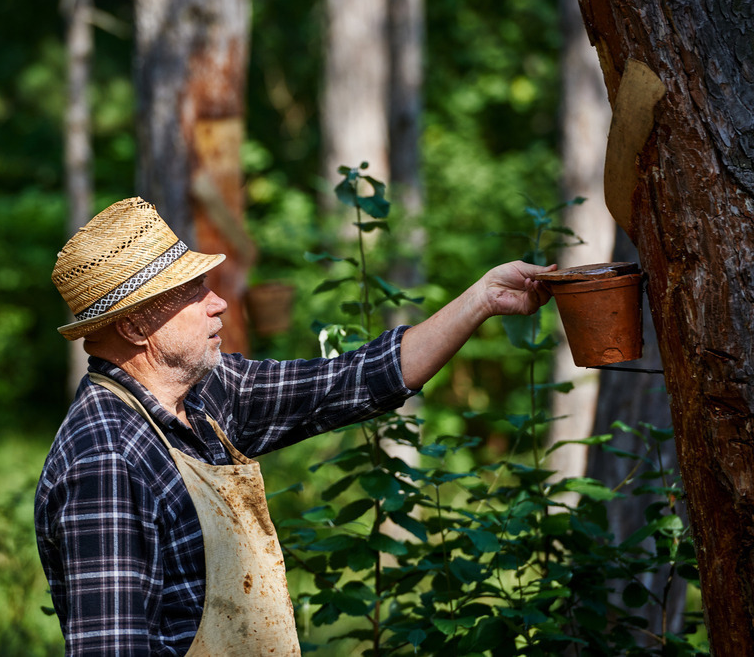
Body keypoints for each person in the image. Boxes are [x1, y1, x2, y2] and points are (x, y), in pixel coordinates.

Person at [34, 196, 554, 656]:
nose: (218, 303)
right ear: (134, 325)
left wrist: (482, 299)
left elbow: (355, 380)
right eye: (192, 293)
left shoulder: (208, 395)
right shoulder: (104, 460)